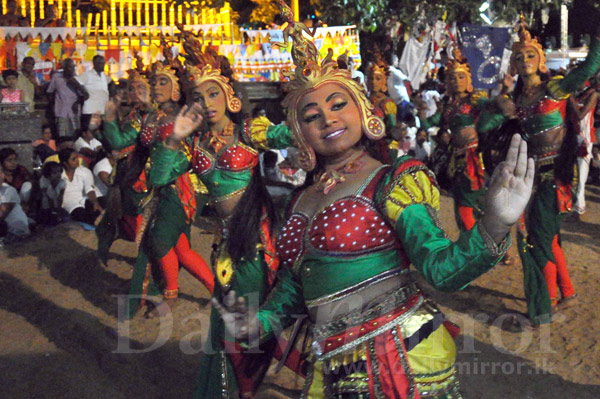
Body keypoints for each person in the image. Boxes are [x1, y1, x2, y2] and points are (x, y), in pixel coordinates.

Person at [212, 11, 535, 397]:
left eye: (337, 105)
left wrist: (495, 223)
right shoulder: (300, 199)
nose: (327, 119)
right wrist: (260, 323)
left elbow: (441, 270)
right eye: (311, 115)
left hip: (398, 358)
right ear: (299, 132)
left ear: (363, 112)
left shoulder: (391, 182)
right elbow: (296, 284)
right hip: (330, 364)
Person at [149, 32, 296, 398]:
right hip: (227, 245)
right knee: (229, 319)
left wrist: (307, 104)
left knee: (245, 318)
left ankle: (263, 378)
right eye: (198, 97)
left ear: (230, 97)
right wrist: (172, 139)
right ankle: (233, 386)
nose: (207, 103)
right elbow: (159, 177)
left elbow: (286, 133)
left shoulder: (248, 130)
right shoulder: (193, 144)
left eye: (213, 93)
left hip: (259, 244)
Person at [483, 18, 600, 323]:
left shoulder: (556, 88)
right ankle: (567, 291)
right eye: (519, 57)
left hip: (552, 177)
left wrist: (597, 36)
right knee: (546, 238)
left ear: (541, 58)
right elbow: (483, 126)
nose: (525, 61)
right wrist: (497, 99)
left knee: (537, 239)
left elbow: (587, 70)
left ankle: (546, 300)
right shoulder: (516, 101)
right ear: (512, 64)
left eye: (530, 55)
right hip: (528, 176)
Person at [568, 81, 597, 218]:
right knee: (570, 174)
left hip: (584, 139)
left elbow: (580, 115)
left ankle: (579, 208)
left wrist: (571, 100)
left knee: (581, 176)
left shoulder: (593, 95)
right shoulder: (577, 95)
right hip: (573, 137)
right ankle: (570, 205)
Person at [58, 148, 103, 226]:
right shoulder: (59, 175)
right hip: (71, 205)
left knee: (101, 205)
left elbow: (89, 190)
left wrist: (95, 203)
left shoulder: (84, 171)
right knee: (84, 216)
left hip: (86, 199)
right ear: (65, 163)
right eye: (73, 159)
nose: (77, 160)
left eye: (77, 157)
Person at [47, 58, 89, 137]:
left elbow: (85, 95)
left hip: (74, 112)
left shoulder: (77, 78)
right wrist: (52, 106)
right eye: (70, 67)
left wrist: (77, 102)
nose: (72, 69)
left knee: (76, 136)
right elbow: (50, 92)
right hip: (61, 111)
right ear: (64, 67)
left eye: (73, 67)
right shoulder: (56, 77)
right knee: (62, 136)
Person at [77, 55, 111, 131]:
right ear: (94, 64)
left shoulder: (103, 75)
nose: (102, 65)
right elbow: (74, 81)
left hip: (102, 110)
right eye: (100, 63)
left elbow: (111, 82)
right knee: (89, 133)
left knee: (100, 133)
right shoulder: (87, 74)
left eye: (103, 63)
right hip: (90, 110)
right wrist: (84, 92)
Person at [0, 163, 30, 241]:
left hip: (15, 231)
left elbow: (1, 214)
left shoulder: (9, 190)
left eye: (1, 172)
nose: (0, 176)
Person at [37, 161, 68, 225]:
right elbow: (48, 198)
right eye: (54, 173)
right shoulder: (44, 181)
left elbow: (60, 198)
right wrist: (54, 212)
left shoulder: (62, 182)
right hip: (46, 206)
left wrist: (58, 212)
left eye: (59, 172)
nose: (58, 175)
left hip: (57, 206)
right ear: (48, 175)